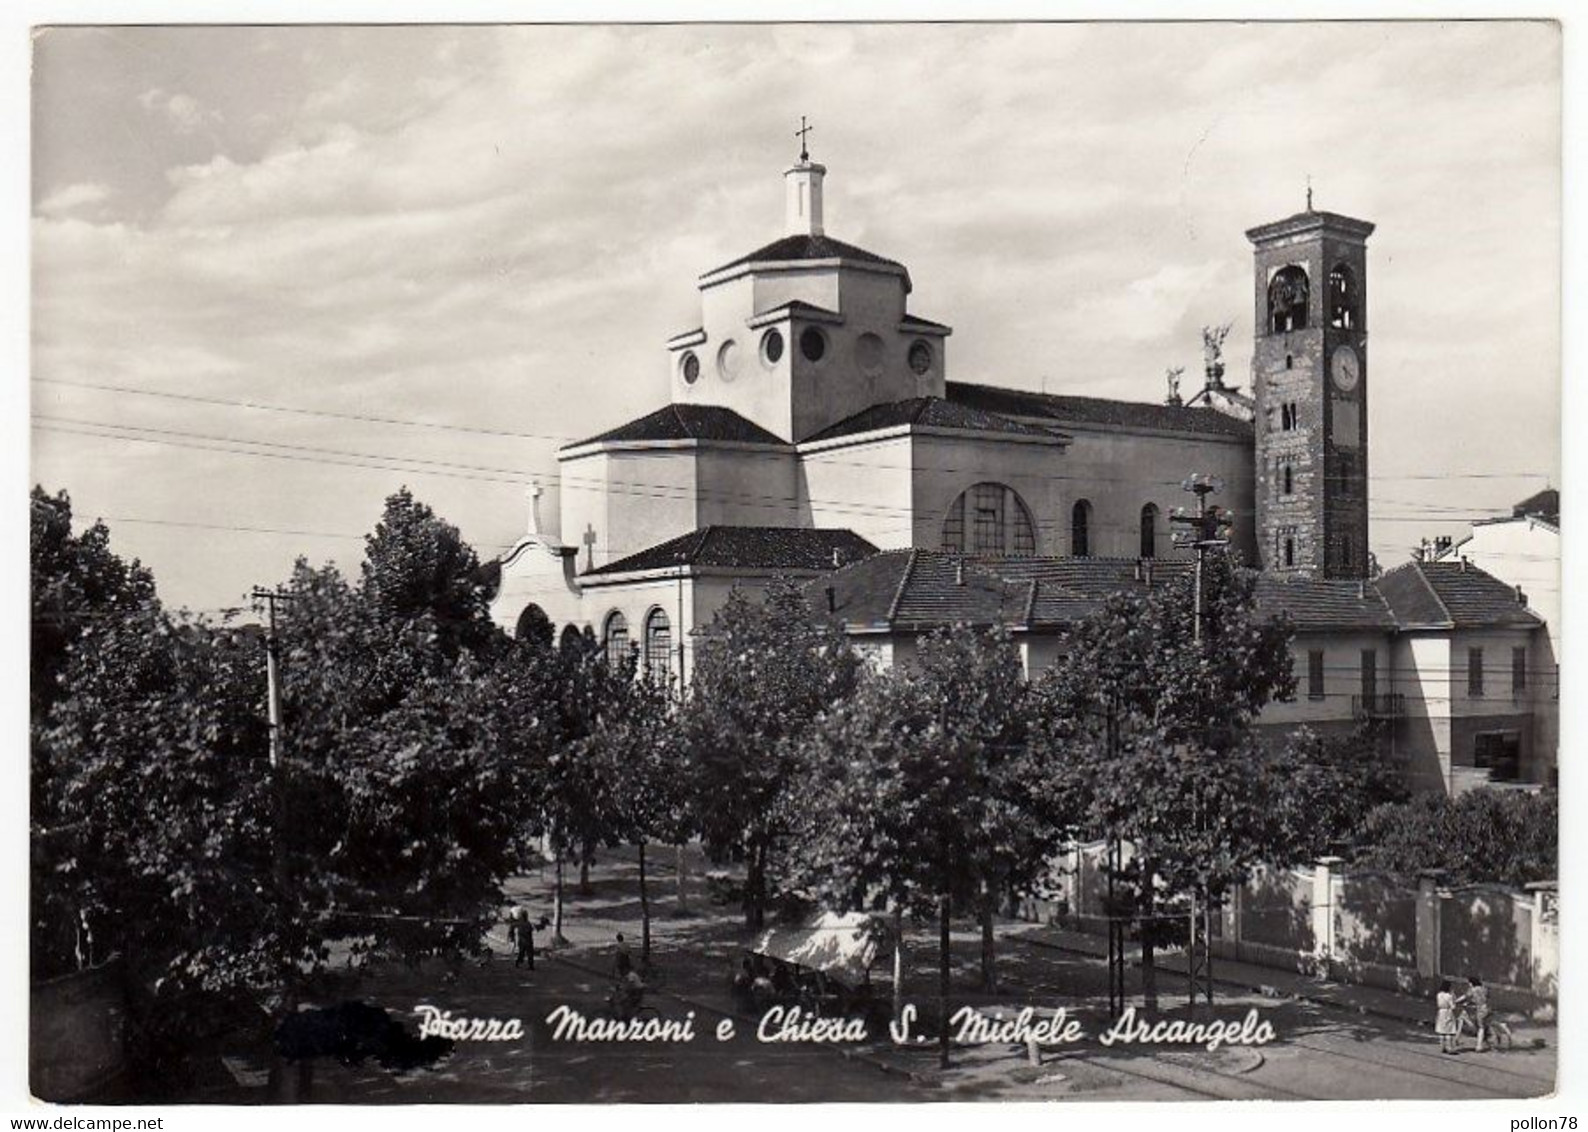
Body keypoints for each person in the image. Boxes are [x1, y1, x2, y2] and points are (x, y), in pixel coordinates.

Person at [1435, 979, 1459, 1054]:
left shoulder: (1439, 995)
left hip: (1440, 1012)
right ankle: (1450, 1047)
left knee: (1441, 1031)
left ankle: (1442, 1047)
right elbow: (1453, 1006)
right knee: (1449, 1031)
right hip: (1448, 1012)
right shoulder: (1449, 996)